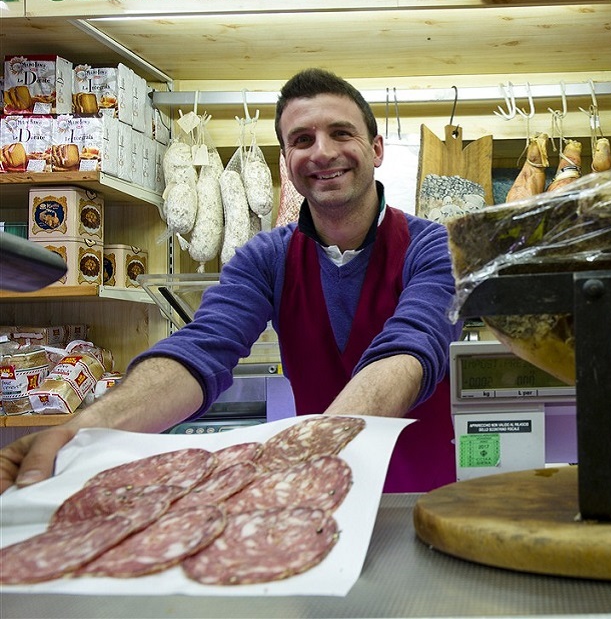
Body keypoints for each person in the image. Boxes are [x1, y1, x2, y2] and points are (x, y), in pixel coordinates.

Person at [0, 69, 463, 494]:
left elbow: (413, 344)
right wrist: (83, 429)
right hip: (320, 499)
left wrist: (316, 448)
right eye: (302, 140)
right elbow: (202, 349)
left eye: (341, 133)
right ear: (287, 160)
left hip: (422, 496)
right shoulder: (266, 257)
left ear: (376, 149)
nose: (322, 151)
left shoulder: (435, 246)